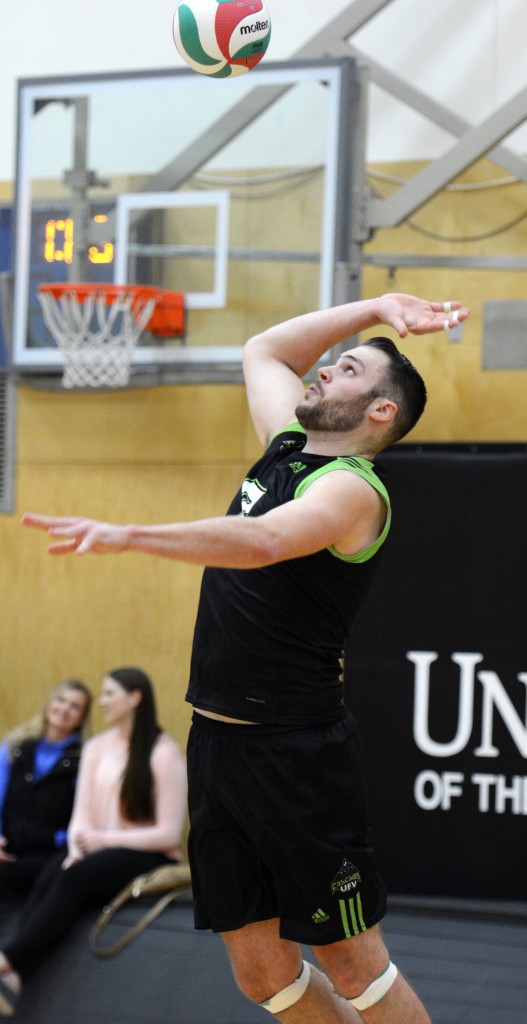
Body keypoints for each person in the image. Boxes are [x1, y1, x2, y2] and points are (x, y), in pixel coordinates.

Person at [19, 293, 469, 1024]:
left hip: (294, 754)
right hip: (218, 744)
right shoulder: (289, 445)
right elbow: (264, 349)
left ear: (379, 411)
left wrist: (129, 533)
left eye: (347, 368)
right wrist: (380, 308)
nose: (323, 369)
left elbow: (259, 544)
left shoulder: (353, 491)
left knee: (352, 963)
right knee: (262, 975)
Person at [0, 666, 187, 1016]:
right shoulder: (98, 747)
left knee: (75, 877)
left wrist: (100, 840)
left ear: (135, 698)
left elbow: (168, 833)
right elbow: (81, 817)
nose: (101, 703)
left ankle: (7, 961)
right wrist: (75, 848)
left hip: (147, 854)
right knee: (53, 872)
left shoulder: (164, 753)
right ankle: (16, 975)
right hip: (98, 848)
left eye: (109, 694)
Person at [0, 679, 92, 901]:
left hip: (49, 851)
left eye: (75, 706)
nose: (64, 709)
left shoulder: (84, 758)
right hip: (8, 843)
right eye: (61, 700)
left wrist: (61, 840)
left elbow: (83, 814)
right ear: (49, 703)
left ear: (82, 718)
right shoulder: (15, 745)